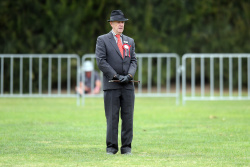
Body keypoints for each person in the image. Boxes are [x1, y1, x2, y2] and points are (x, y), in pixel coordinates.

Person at [95, 10, 137, 154]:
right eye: (118, 22)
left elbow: (133, 61)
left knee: (128, 117)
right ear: (111, 23)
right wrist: (116, 76)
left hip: (127, 86)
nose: (121, 24)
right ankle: (111, 148)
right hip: (112, 85)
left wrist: (130, 75)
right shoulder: (102, 40)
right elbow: (101, 61)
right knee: (112, 118)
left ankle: (126, 148)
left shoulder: (130, 41)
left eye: (123, 22)